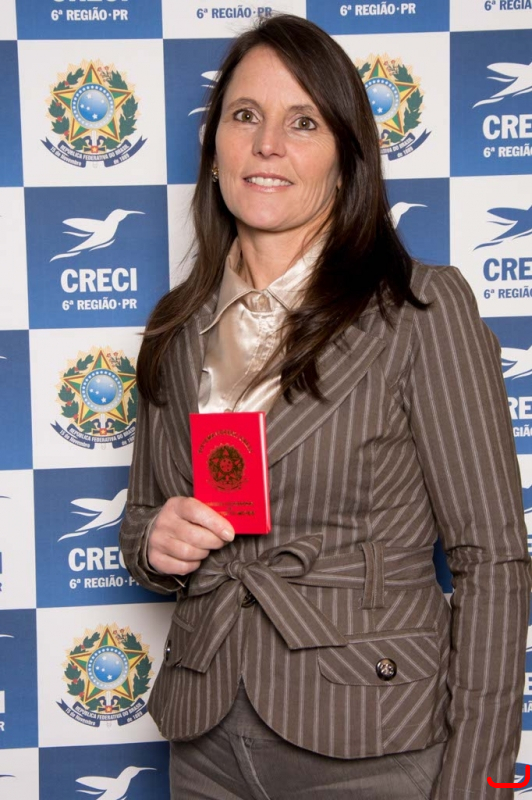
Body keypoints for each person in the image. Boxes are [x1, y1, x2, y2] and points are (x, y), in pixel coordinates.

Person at [120, 14, 531, 800]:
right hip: (205, 737)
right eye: (245, 116)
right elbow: (143, 519)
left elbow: (493, 561)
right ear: (214, 151)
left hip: (371, 737)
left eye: (303, 122)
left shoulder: (420, 311)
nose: (267, 144)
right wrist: (154, 542)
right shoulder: (177, 324)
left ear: (346, 158)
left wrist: (480, 783)